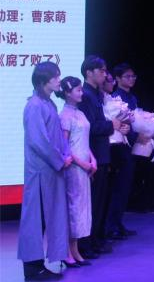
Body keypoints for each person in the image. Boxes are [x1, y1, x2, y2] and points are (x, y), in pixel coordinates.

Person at [17, 61, 71, 282]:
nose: (59, 80)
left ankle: (39, 265)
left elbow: (54, 137)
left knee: (45, 218)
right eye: (55, 77)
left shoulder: (48, 103)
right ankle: (33, 268)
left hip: (50, 171)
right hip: (40, 172)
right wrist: (60, 160)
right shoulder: (35, 106)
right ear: (43, 80)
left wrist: (64, 157)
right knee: (35, 220)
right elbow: (38, 141)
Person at [77, 55, 120, 258]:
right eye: (101, 70)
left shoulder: (96, 94)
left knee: (100, 201)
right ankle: (86, 244)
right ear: (89, 73)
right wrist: (113, 125)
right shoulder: (86, 95)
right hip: (92, 155)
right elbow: (91, 127)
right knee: (92, 203)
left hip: (102, 154)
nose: (105, 74)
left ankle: (95, 240)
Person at [56, 76, 96, 268]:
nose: (81, 93)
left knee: (81, 208)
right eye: (78, 90)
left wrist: (92, 159)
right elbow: (65, 146)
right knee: (73, 208)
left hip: (84, 165)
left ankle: (76, 250)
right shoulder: (64, 115)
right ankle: (67, 252)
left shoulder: (80, 113)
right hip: (73, 167)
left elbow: (84, 140)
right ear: (67, 93)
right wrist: (82, 163)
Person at [106, 63, 140, 238]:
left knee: (124, 188)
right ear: (117, 78)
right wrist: (134, 135)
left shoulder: (132, 97)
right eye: (127, 76)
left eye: (133, 76)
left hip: (130, 145)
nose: (131, 79)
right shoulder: (116, 98)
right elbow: (118, 124)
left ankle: (117, 223)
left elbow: (134, 122)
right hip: (119, 147)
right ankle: (111, 226)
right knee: (118, 188)